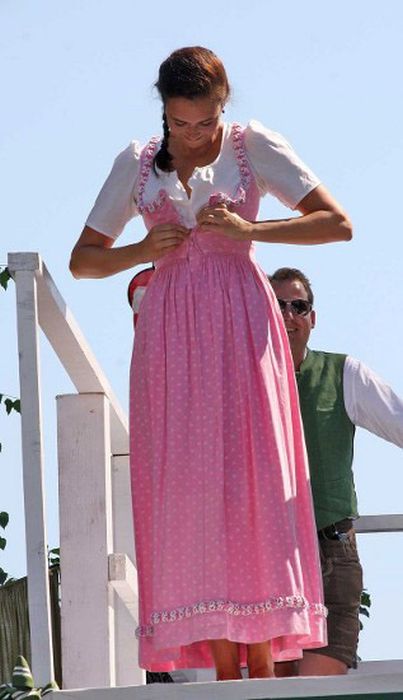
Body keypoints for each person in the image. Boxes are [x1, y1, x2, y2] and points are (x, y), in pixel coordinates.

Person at [70, 46, 352, 681]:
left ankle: (264, 664)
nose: (194, 135)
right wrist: (142, 247)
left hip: (243, 328)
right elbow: (83, 260)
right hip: (171, 339)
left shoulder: (255, 147)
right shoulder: (137, 163)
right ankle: (225, 671)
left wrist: (252, 234)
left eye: (205, 121)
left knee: (254, 476)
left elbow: (336, 223)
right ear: (163, 112)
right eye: (180, 123)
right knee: (190, 487)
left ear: (225, 104)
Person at [269, 267, 403, 677]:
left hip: (332, 550)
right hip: (264, 556)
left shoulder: (344, 373)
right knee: (272, 688)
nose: (288, 315)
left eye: (298, 306)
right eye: (277, 306)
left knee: (317, 686)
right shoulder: (238, 378)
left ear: (312, 317)